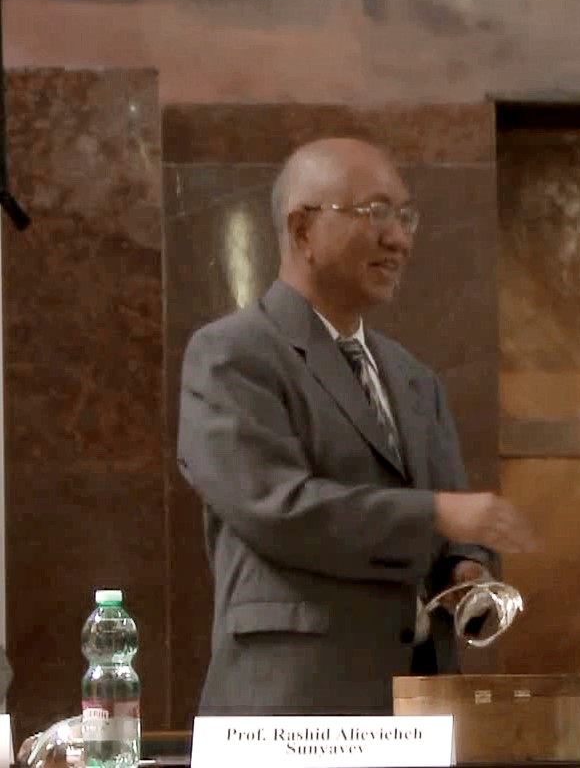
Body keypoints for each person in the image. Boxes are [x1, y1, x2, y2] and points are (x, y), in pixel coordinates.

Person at [177, 137, 536, 715]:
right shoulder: (231, 356)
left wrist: (466, 567)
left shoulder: (413, 378)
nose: (400, 238)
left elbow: (450, 530)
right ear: (301, 230)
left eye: (405, 216)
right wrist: (439, 513)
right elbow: (277, 507)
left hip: (419, 705)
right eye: (375, 214)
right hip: (292, 707)